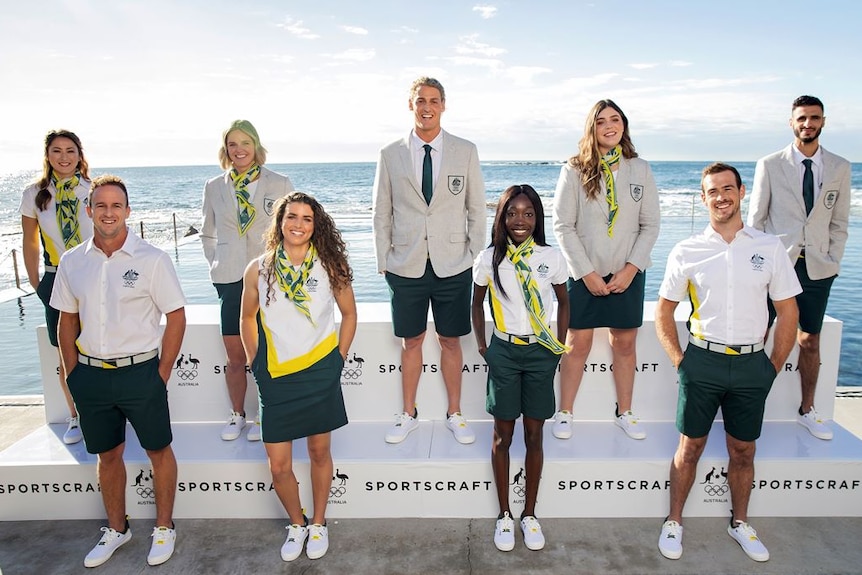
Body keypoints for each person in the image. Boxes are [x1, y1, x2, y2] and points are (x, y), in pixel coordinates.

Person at [655, 163, 800, 563]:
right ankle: (674, 521)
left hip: (753, 365)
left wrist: (772, 366)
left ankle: (740, 523)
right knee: (690, 447)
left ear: (741, 192)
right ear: (703, 199)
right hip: (702, 361)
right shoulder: (687, 250)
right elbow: (665, 313)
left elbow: (788, 312)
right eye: (712, 192)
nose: (721, 197)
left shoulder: (768, 247)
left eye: (727, 189)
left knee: (743, 450)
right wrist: (680, 362)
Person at [51, 175, 187, 568]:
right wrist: (73, 372)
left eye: (116, 206)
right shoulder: (73, 261)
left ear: (128, 211)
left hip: (140, 374)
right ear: (89, 210)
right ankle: (117, 528)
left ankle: (164, 527)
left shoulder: (152, 259)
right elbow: (66, 320)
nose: (108, 213)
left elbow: (176, 316)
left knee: (158, 451)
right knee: (107, 456)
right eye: (101, 206)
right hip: (91, 376)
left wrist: (160, 373)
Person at [239, 192, 356, 562]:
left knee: (320, 452)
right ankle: (297, 522)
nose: (299, 224)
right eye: (292, 216)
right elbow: (246, 318)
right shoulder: (258, 268)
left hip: (320, 371)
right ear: (280, 221)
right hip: (275, 375)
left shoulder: (331, 265)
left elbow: (349, 314)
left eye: (307, 218)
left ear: (315, 225)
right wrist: (255, 361)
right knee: (278, 465)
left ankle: (319, 522)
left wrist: (338, 358)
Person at [372, 76, 486, 445]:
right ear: (411, 105)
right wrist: (384, 262)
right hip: (405, 265)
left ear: (443, 105)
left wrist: (474, 257)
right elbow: (381, 213)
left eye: (434, 100)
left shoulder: (465, 150)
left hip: (454, 263)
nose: (427, 107)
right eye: (421, 100)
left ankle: (455, 413)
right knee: (412, 342)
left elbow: (476, 209)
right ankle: (408, 413)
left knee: (450, 341)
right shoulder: (390, 154)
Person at [551, 99, 660, 441]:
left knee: (624, 343)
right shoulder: (574, 169)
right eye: (601, 121)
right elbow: (562, 225)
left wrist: (630, 269)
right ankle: (565, 412)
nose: (610, 126)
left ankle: (624, 412)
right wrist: (586, 273)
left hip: (628, 273)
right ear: (592, 128)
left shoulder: (640, 168)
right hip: (585, 274)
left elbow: (651, 225)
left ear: (624, 125)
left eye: (615, 120)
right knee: (577, 342)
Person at [747, 95, 851, 441]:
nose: (808, 123)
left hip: (818, 268)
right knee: (757, 335)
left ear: (823, 121)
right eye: (802, 118)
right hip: (776, 265)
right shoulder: (770, 164)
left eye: (814, 118)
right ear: (792, 122)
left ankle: (807, 409)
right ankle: (747, 405)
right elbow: (756, 220)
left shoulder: (839, 166)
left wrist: (832, 259)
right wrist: (756, 264)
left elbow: (839, 223)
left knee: (809, 339)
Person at [471, 185, 569, 552]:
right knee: (502, 436)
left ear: (537, 218)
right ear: (501, 217)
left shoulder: (551, 257)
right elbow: (476, 303)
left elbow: (563, 301)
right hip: (505, 354)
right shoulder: (489, 259)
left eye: (528, 213)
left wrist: (557, 349)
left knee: (534, 436)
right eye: (512, 213)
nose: (520, 220)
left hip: (541, 353)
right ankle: (504, 516)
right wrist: (484, 347)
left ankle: (529, 514)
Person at [201, 120, 294, 442]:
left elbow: (291, 231)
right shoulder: (214, 186)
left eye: (245, 143)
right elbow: (207, 232)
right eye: (232, 144)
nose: (239, 150)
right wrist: (215, 265)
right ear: (225, 150)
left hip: (269, 278)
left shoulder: (280, 183)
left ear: (256, 146)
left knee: (268, 351)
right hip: (229, 280)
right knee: (235, 355)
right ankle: (238, 414)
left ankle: (267, 415)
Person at [19, 129, 94, 445]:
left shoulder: (93, 190)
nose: (64, 157)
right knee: (67, 355)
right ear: (47, 156)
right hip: (56, 278)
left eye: (70, 150)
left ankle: (103, 412)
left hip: (93, 274)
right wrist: (37, 282)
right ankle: (76, 416)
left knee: (98, 347)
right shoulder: (34, 194)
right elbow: (30, 242)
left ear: (79, 154)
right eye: (57, 151)